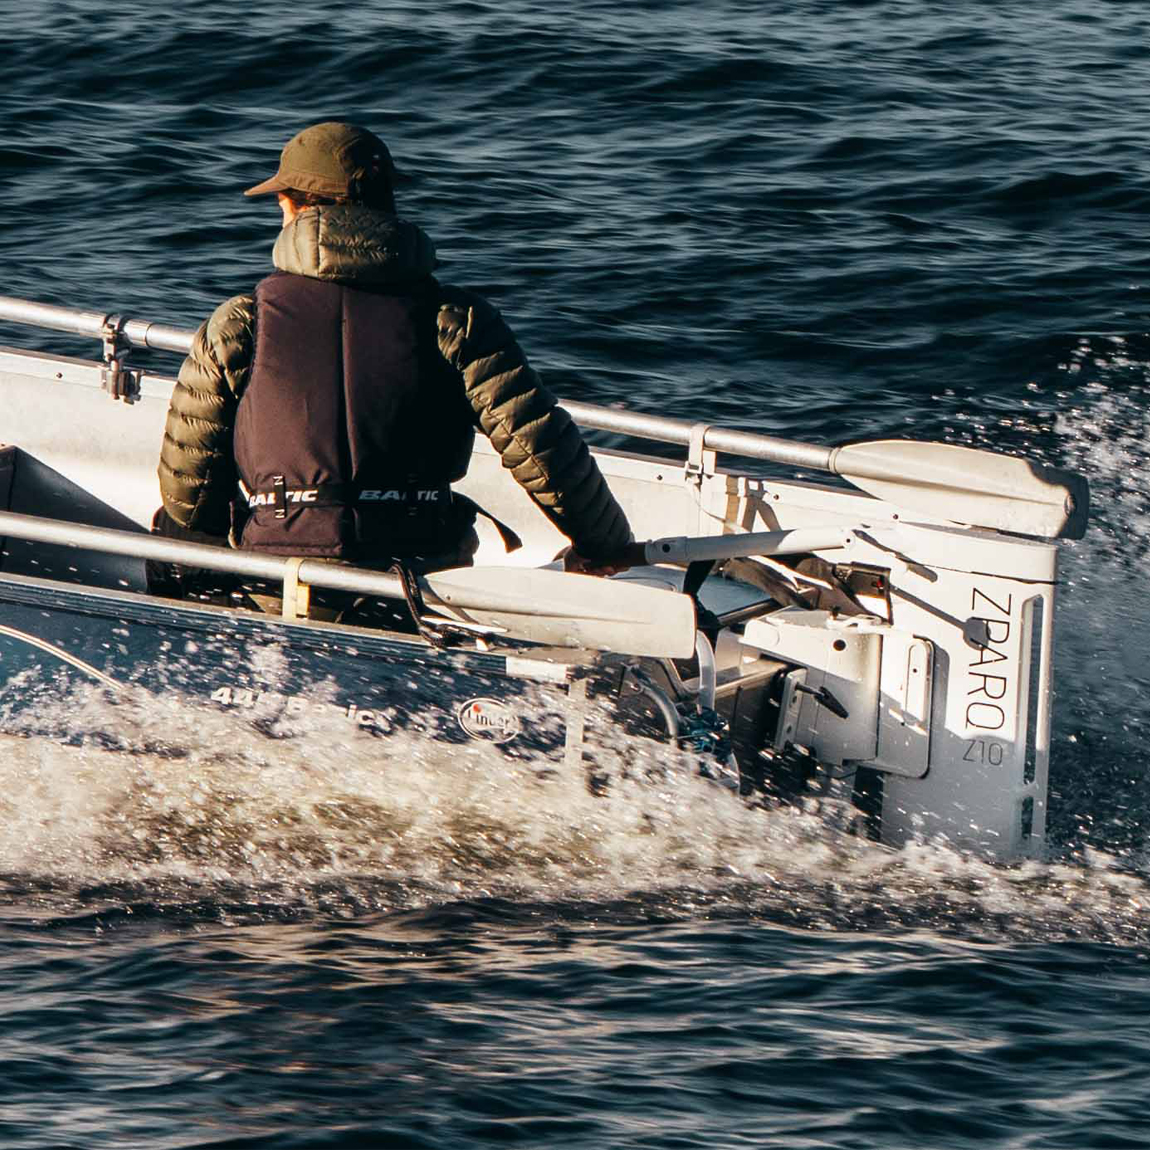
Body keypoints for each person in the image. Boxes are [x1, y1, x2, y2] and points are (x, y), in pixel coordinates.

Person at [156, 121, 631, 578]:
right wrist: (604, 546)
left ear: (289, 205)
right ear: (387, 204)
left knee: (170, 526)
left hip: (279, 577)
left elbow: (188, 496)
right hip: (421, 580)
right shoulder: (457, 319)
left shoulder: (240, 322)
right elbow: (542, 449)